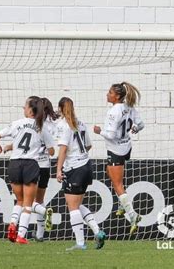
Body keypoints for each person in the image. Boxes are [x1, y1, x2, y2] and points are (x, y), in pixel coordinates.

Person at [0, 96, 55, 244]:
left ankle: (12, 224)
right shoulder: (41, 127)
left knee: (19, 200)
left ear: (30, 110)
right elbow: (52, 151)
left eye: (25, 106)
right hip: (31, 164)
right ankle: (21, 235)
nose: (23, 108)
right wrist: (40, 149)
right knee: (28, 203)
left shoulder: (16, 124)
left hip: (14, 163)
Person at [93, 82, 145, 235]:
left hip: (116, 149)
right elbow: (141, 124)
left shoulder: (113, 112)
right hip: (126, 147)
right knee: (110, 172)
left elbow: (111, 135)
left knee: (117, 184)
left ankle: (133, 216)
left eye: (110, 92)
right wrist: (134, 129)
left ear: (117, 96)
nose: (107, 94)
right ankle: (123, 205)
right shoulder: (129, 107)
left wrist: (99, 131)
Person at [56, 97, 106, 251]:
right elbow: (89, 145)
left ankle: (80, 243)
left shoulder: (64, 126)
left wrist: (58, 169)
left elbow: (63, 149)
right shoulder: (81, 124)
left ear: (60, 109)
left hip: (74, 168)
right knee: (76, 204)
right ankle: (97, 231)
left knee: (73, 207)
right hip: (86, 165)